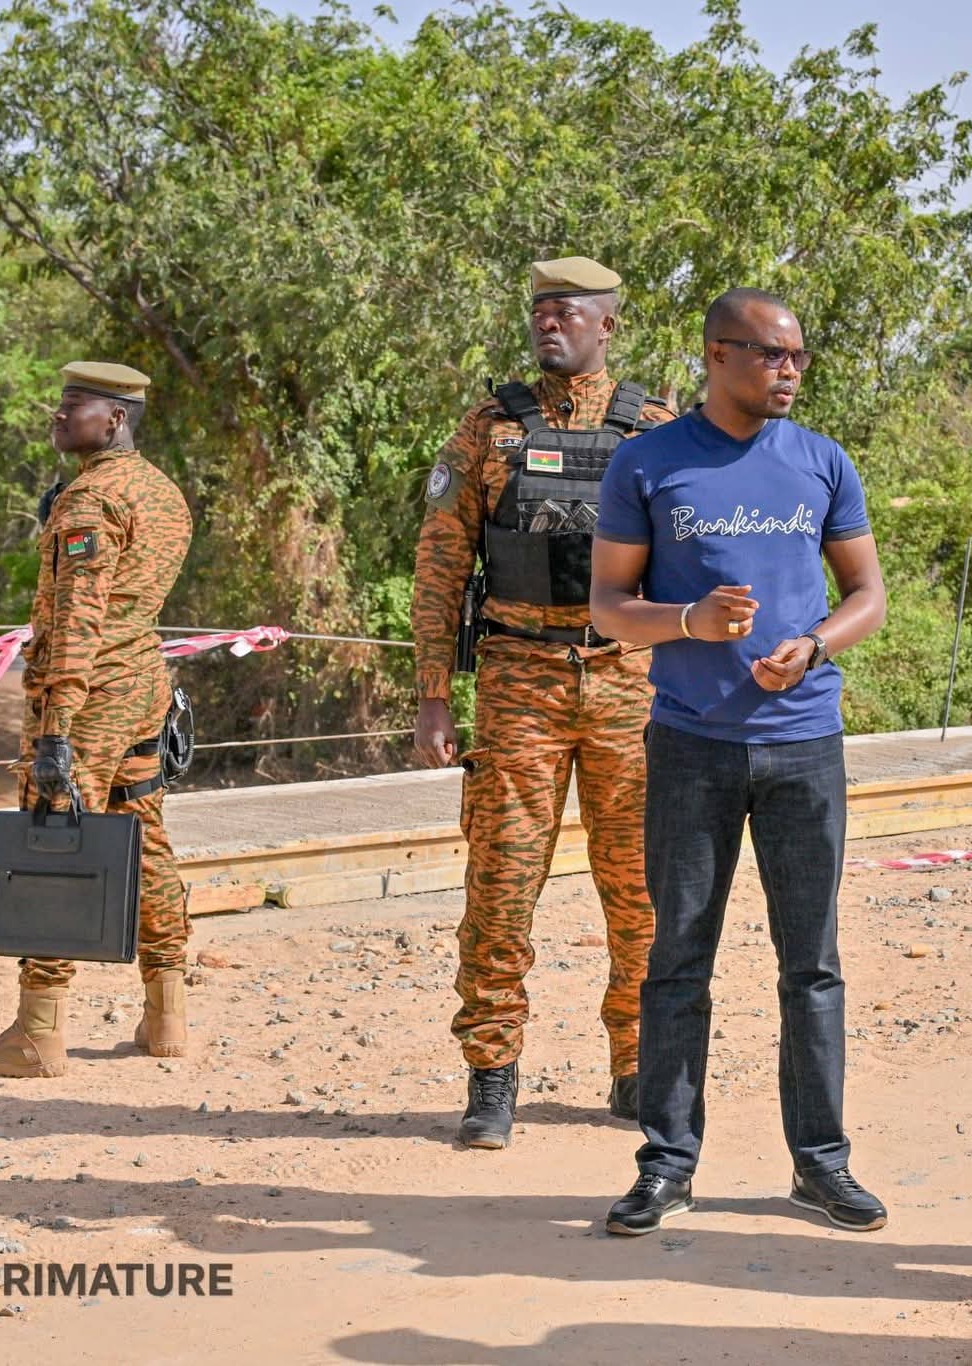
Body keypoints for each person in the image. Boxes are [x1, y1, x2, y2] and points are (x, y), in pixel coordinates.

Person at [588, 287, 888, 1236]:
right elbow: (606, 605)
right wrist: (689, 621)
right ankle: (667, 1164)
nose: (789, 371)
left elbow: (869, 594)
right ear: (718, 356)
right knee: (677, 960)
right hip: (690, 746)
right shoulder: (649, 462)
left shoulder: (821, 461)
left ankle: (822, 1165)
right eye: (771, 355)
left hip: (804, 745)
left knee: (813, 965)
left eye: (798, 356)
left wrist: (816, 645)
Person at [410, 256, 674, 1150]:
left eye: (566, 314)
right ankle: (492, 1077)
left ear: (606, 326)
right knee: (501, 885)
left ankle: (637, 1065)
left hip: (630, 684)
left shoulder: (657, 432)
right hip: (519, 679)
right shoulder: (488, 431)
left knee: (639, 888)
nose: (547, 326)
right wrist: (433, 697)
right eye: (539, 313)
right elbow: (442, 566)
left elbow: (698, 561)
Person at [0, 361, 194, 1078]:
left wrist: (56, 724)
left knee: (51, 841)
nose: (58, 416)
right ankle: (167, 1017)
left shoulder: (89, 503)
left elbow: (77, 617)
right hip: (142, 686)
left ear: (115, 419)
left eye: (74, 406)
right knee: (144, 835)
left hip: (88, 694)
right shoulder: (162, 492)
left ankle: (39, 1030)